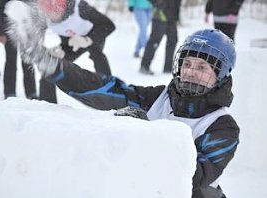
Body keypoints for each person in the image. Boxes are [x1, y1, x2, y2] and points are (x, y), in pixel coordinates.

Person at [12, 17, 239, 196]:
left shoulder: (223, 127)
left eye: (202, 67)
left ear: (220, 75)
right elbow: (106, 90)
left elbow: (191, 178)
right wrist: (54, 67)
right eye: (187, 63)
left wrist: (146, 132)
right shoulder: (160, 97)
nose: (190, 71)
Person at [36, 0, 116, 103]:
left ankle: (111, 94)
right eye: (48, 14)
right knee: (51, 64)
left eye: (54, 13)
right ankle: (47, 102)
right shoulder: (45, 17)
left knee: (98, 57)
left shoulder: (81, 8)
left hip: (92, 35)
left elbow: (108, 25)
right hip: (71, 42)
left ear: (62, 9)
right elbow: (37, 37)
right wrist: (58, 51)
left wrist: (87, 40)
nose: (51, 17)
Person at [0, 0, 38, 99]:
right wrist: (0, 32)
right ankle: (9, 92)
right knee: (11, 60)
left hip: (28, 30)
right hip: (10, 29)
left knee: (28, 61)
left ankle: (31, 92)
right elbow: (0, 9)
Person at [140, 0, 181, 75]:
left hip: (172, 16)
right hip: (160, 14)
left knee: (173, 40)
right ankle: (144, 66)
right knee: (154, 41)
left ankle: (168, 68)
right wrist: (158, 2)